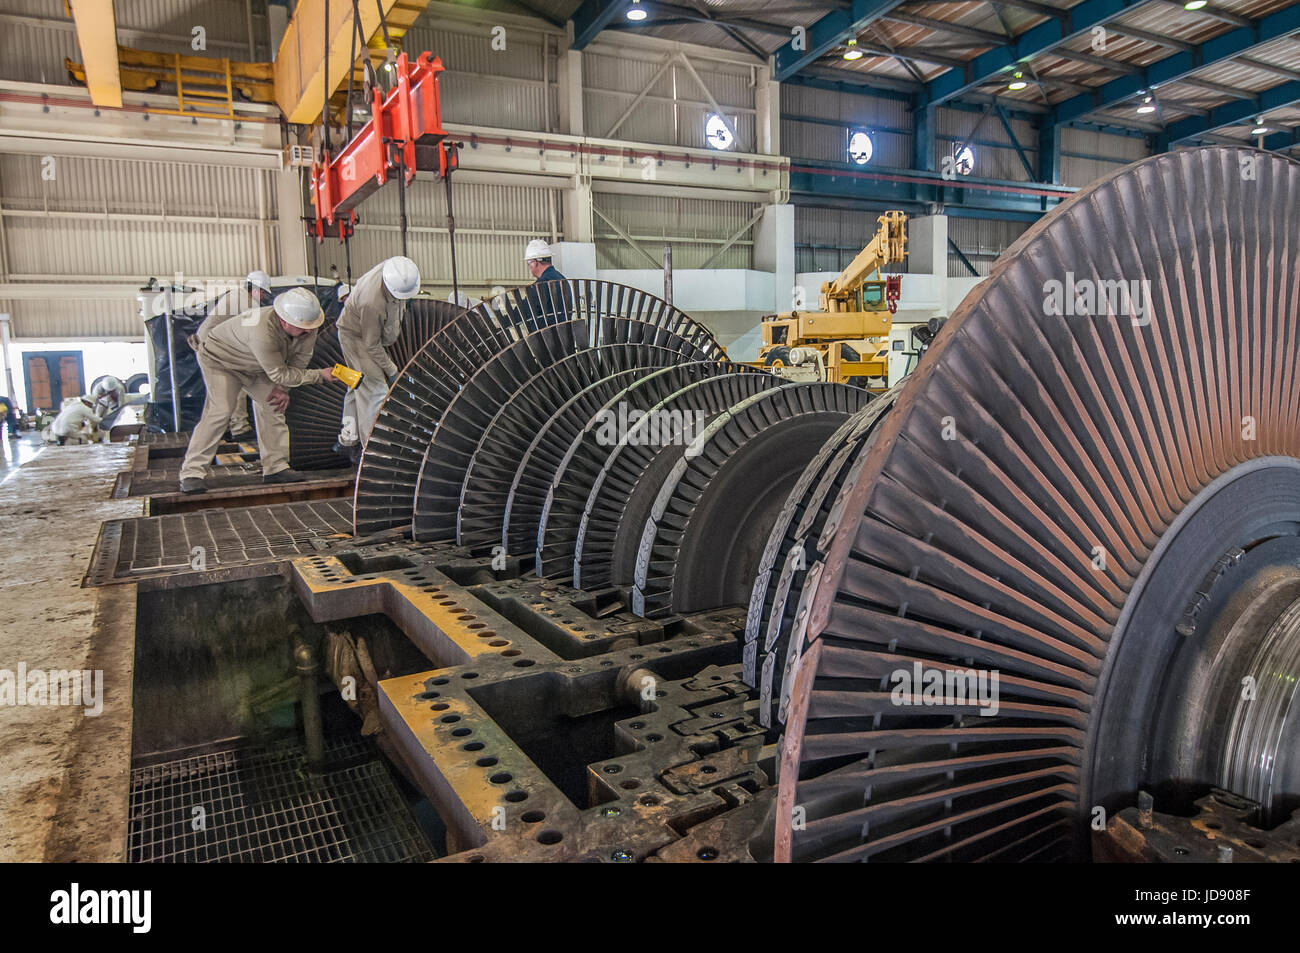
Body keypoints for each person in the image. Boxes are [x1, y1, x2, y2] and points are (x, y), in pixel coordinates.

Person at [178, 287, 336, 494]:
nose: (307, 331)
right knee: (221, 411)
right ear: (284, 320)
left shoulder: (308, 325)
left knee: (273, 404)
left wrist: (282, 390)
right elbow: (279, 373)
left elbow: (300, 360)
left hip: (255, 366)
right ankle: (192, 473)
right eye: (302, 328)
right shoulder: (263, 331)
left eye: (310, 327)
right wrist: (319, 375)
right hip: (221, 361)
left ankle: (275, 467)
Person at [333, 256, 420, 463]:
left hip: (366, 336)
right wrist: (391, 371)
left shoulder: (398, 270)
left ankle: (348, 439)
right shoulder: (371, 302)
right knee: (375, 391)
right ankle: (376, 455)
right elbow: (371, 344)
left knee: (356, 387)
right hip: (356, 338)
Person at [190, 270, 275, 442]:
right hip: (214, 349)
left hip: (210, 347)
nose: (265, 296)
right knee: (238, 383)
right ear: (256, 289)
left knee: (217, 396)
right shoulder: (246, 303)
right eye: (264, 292)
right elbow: (252, 336)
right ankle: (239, 428)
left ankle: (223, 430)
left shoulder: (238, 296)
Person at [523, 239, 571, 321]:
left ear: (535, 263)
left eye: (529, 263)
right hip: (565, 332)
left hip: (545, 333)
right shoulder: (562, 279)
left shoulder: (540, 285)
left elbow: (524, 311)